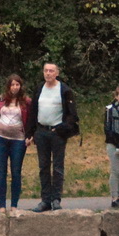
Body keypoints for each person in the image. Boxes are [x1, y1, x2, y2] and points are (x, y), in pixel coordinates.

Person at [30, 63, 79, 212]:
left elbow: (72, 114)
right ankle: (45, 200)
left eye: (51, 71)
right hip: (41, 132)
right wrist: (30, 133)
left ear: (57, 73)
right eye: (46, 71)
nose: (48, 73)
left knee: (58, 167)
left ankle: (56, 199)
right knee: (43, 167)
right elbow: (33, 111)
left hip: (57, 133)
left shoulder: (64, 90)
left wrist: (62, 128)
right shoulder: (39, 88)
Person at [0, 75, 33, 213]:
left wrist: (30, 136)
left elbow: (32, 119)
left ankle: (14, 205)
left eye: (17, 85)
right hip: (0, 139)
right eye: (12, 85)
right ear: (8, 86)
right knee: (1, 172)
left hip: (18, 140)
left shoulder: (26, 102)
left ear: (20, 86)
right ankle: (1, 205)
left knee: (16, 172)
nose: (15, 87)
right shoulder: (0, 100)